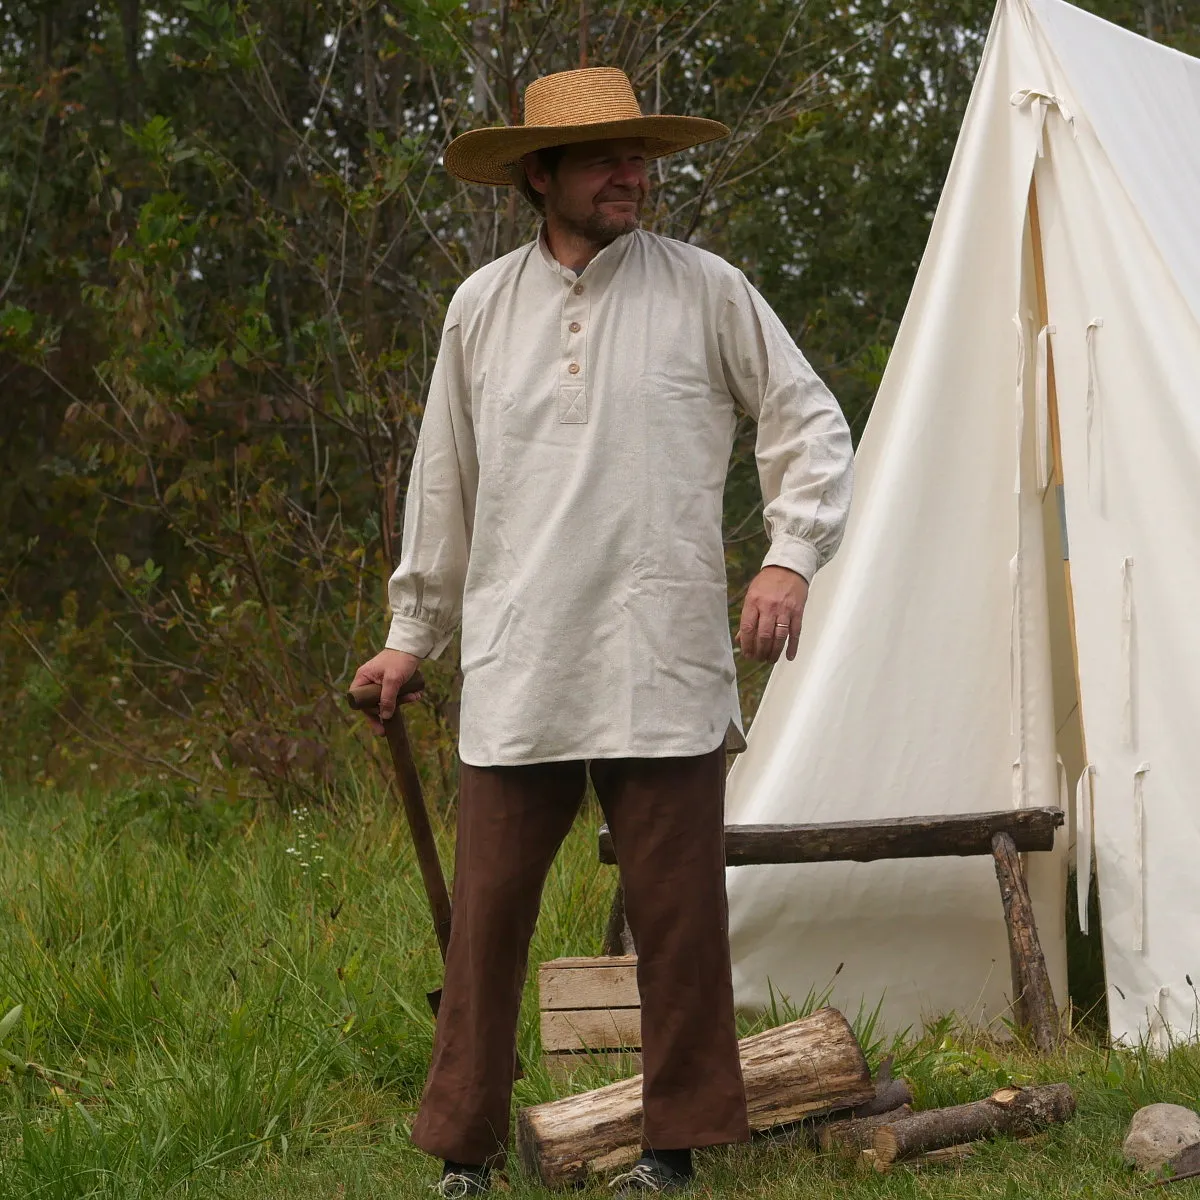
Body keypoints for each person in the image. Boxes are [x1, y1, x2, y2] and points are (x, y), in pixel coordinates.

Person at [351, 65, 854, 1197]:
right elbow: (447, 483)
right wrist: (410, 632)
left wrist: (790, 552)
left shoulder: (706, 290)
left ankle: (671, 1154)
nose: (632, 174)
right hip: (522, 654)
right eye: (604, 159)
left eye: (640, 156)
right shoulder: (480, 306)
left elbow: (807, 421)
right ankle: (463, 1153)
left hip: (659, 650)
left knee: (680, 928)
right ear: (541, 176)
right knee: (485, 929)